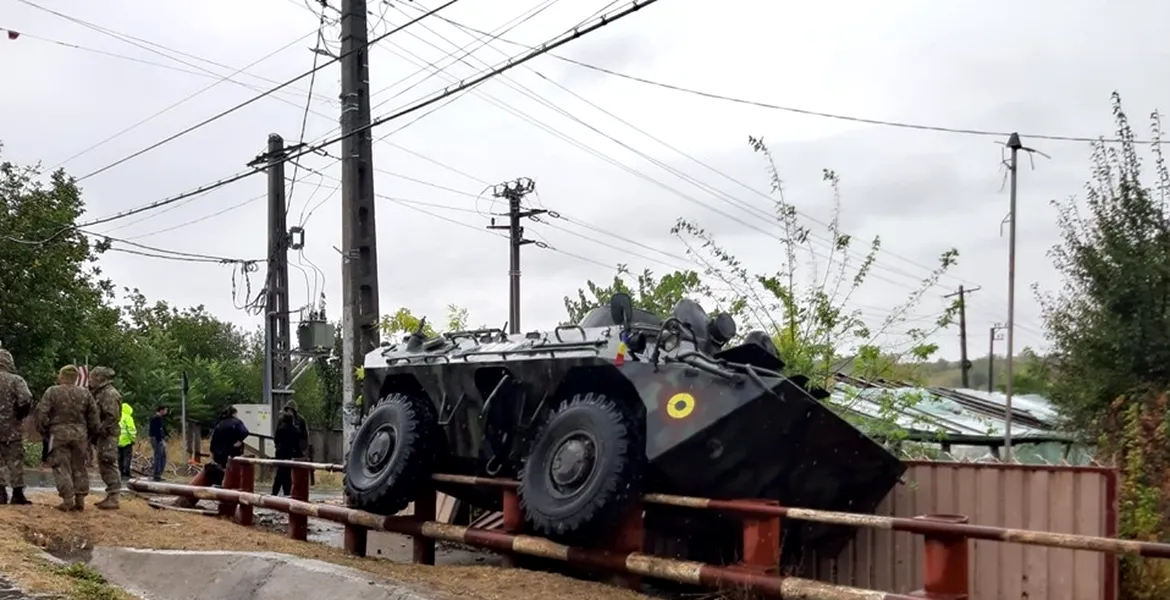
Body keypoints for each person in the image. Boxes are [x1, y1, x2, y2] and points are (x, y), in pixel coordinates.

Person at [35, 365, 100, 512]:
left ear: (62, 376)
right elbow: (94, 417)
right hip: (80, 434)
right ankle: (80, 499)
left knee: (61, 466)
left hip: (58, 433)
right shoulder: (85, 393)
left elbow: (42, 413)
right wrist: (91, 434)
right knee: (79, 466)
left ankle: (67, 499)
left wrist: (45, 431)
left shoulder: (52, 391)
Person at [87, 367, 122, 509]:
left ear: (100, 378)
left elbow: (112, 416)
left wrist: (100, 430)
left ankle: (113, 496)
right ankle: (111, 495)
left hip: (108, 435)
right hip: (103, 434)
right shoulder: (100, 393)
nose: (90, 380)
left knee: (108, 462)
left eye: (92, 378)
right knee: (104, 462)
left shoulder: (109, 394)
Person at [0, 349, 32, 505]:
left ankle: (0, 493)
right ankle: (17, 493)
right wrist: (20, 414)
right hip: (12, 427)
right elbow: (26, 399)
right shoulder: (16, 380)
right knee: (15, 460)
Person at [271, 411, 303, 496]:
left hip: (281, 453)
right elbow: (297, 443)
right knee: (288, 473)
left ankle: (275, 491)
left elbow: (276, 440)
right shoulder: (295, 430)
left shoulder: (280, 429)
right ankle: (287, 491)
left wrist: (278, 447)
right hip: (290, 453)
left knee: (280, 473)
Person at [208, 406, 249, 470]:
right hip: (232, 451)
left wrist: (212, 451)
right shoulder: (237, 422)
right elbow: (245, 432)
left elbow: (213, 438)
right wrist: (239, 441)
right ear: (233, 413)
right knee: (232, 471)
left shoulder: (218, 423)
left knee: (220, 471)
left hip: (218, 453)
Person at [148, 405, 168, 481]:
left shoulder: (159, 419)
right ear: (161, 410)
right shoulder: (156, 419)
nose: (166, 412)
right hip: (157, 439)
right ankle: (157, 474)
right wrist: (160, 440)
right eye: (165, 410)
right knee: (158, 456)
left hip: (158, 439)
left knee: (163, 456)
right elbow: (157, 431)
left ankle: (159, 473)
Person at [117, 401, 136, 479]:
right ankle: (126, 473)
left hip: (118, 441)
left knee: (119, 458)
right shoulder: (128, 417)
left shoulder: (118, 416)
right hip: (127, 441)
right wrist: (133, 439)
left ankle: (120, 472)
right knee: (127, 457)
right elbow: (131, 429)